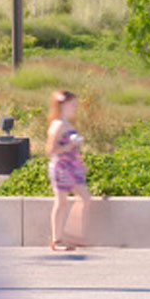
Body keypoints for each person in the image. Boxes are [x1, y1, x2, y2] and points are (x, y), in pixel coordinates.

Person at [46, 89, 93, 251]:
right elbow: (50, 149)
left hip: (72, 168)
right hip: (61, 168)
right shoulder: (58, 125)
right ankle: (57, 240)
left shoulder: (67, 124)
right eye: (73, 104)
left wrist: (79, 163)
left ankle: (74, 235)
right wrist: (69, 146)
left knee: (85, 197)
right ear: (64, 104)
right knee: (61, 202)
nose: (75, 107)